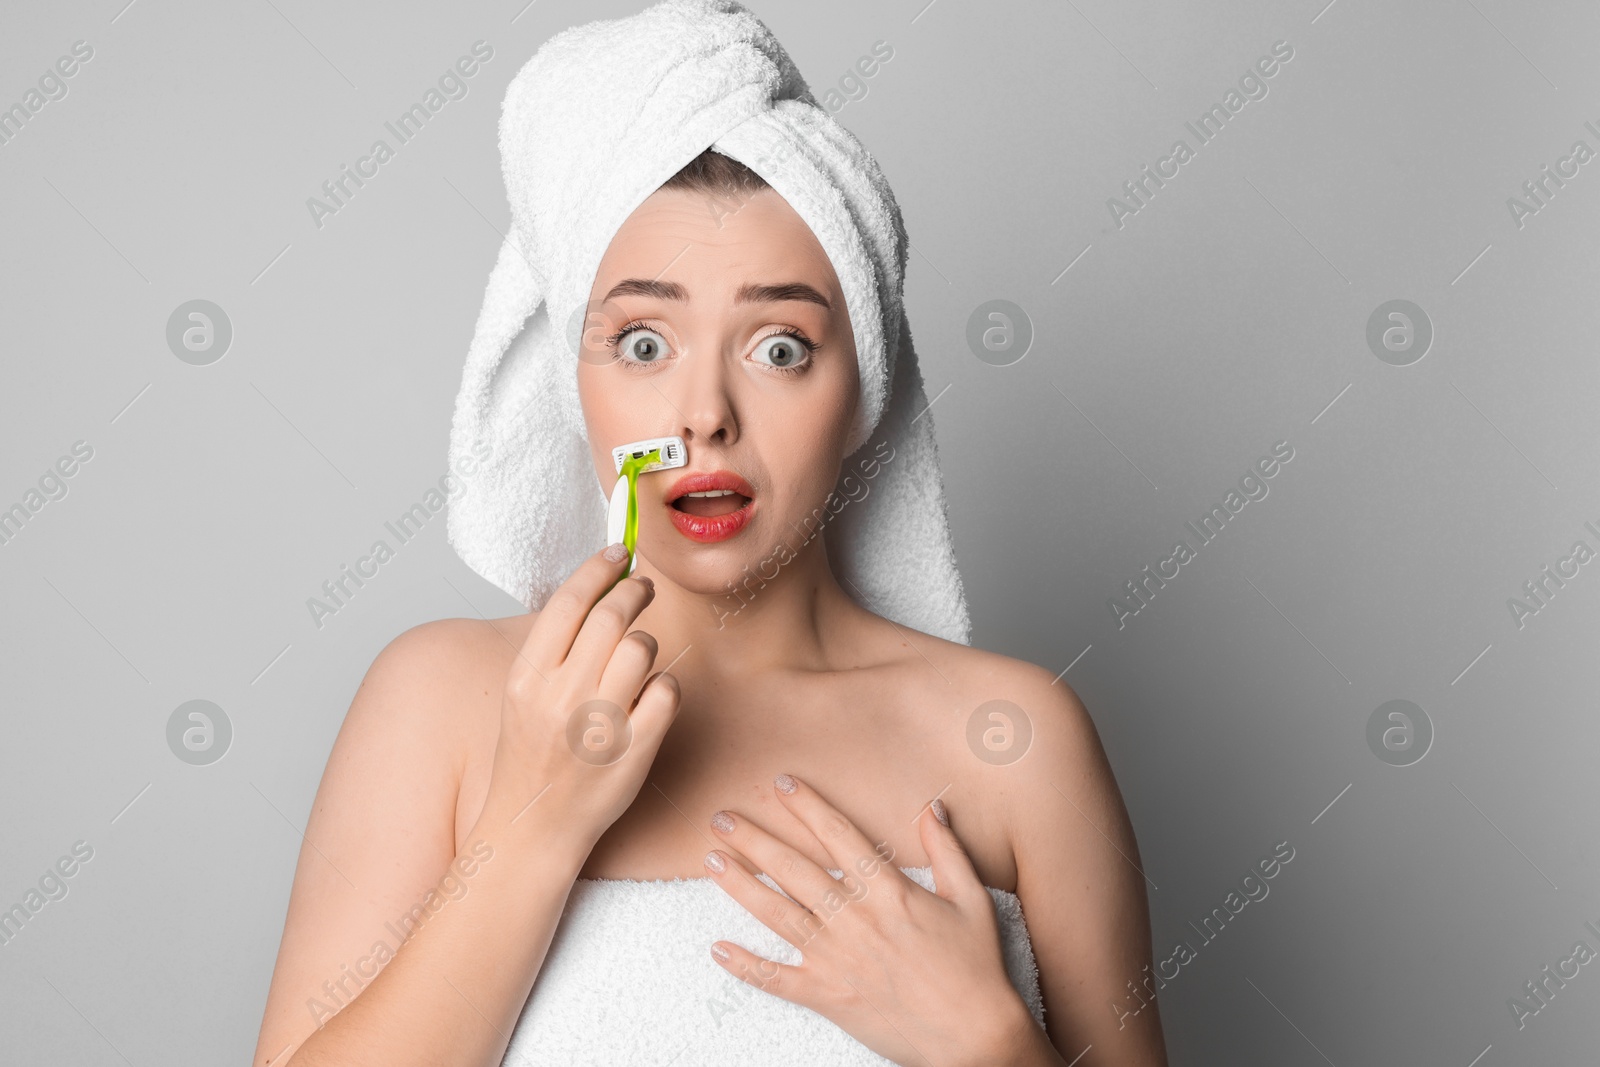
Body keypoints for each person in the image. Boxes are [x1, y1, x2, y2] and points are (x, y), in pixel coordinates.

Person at [252, 4, 1168, 1065]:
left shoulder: (1016, 741)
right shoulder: (445, 703)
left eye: (780, 347)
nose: (705, 414)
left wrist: (987, 1043)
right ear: (571, 381)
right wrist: (534, 821)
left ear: (862, 386)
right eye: (643, 341)